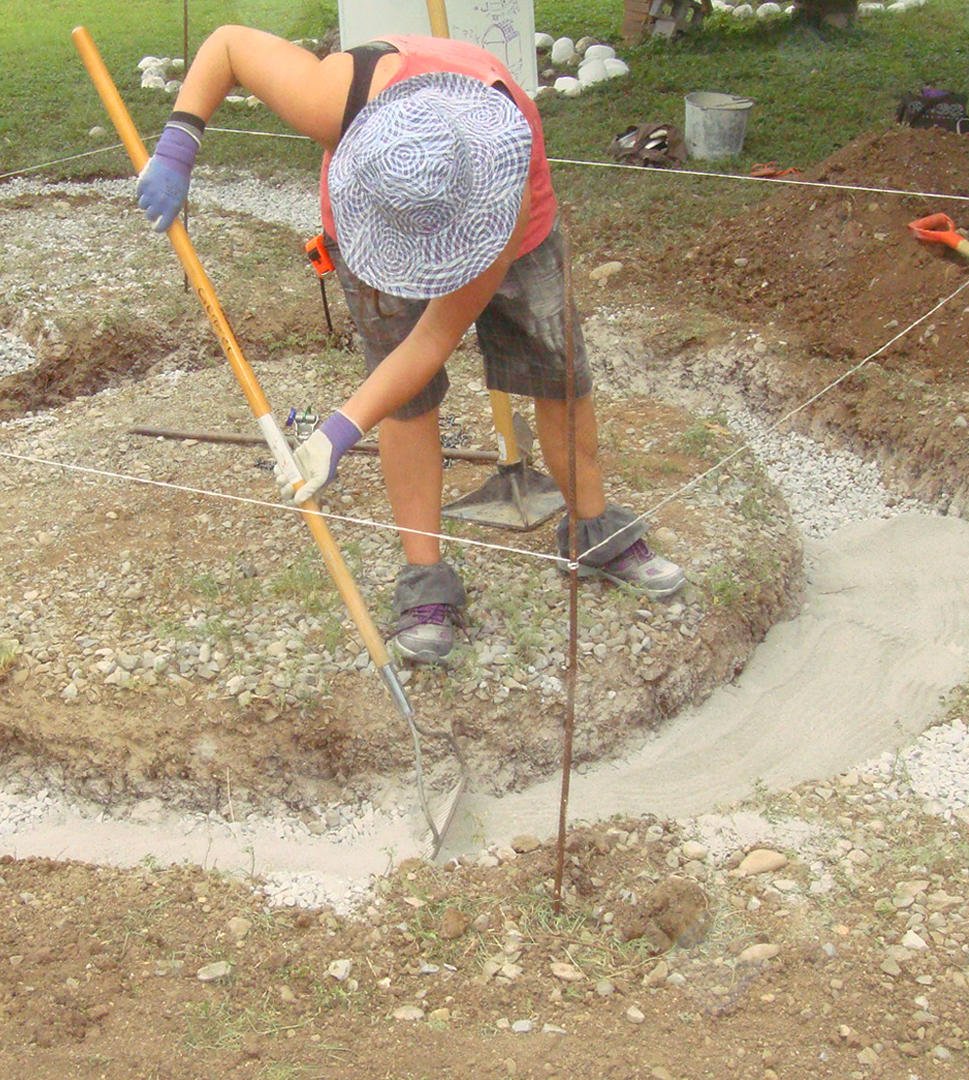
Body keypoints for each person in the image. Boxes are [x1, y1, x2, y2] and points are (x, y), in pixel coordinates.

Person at [137, 26, 686, 666]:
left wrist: (335, 433)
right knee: (408, 402)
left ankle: (595, 531)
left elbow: (433, 341)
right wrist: (179, 146)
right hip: (375, 226)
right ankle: (426, 580)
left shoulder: (501, 198)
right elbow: (229, 46)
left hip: (516, 228)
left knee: (555, 369)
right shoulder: (329, 95)